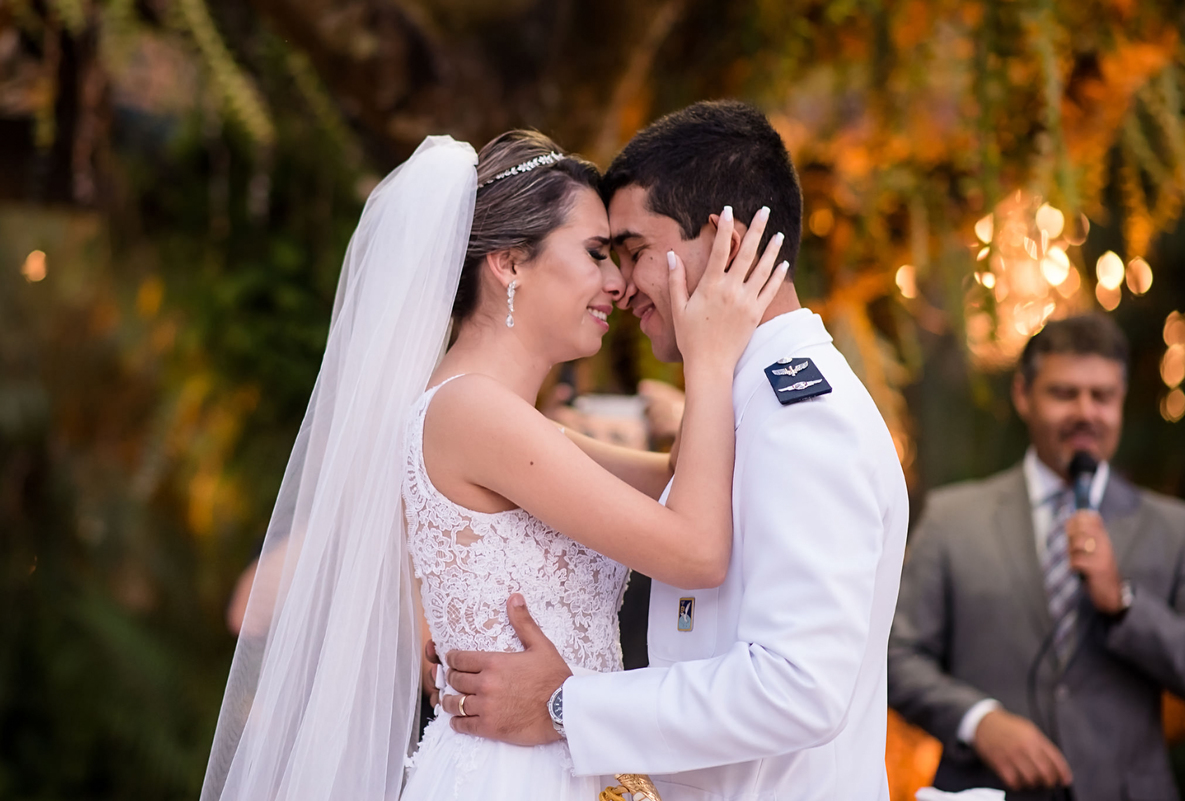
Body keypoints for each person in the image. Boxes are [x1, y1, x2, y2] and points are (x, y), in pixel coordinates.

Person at [200, 129, 788, 801]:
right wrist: (709, 358)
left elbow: (679, 479)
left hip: (554, 762)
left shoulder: (501, 419)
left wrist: (698, 328)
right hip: (514, 775)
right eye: (596, 254)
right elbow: (697, 551)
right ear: (508, 263)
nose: (618, 282)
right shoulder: (472, 412)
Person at [437, 100, 910, 800]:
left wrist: (566, 705)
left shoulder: (801, 416)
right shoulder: (744, 400)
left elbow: (798, 686)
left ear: (724, 243)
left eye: (632, 251)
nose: (622, 285)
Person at [888, 314, 1185, 800]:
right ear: (1022, 395)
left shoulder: (1178, 530)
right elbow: (896, 657)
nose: (1085, 412)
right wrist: (978, 721)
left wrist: (1123, 603)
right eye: (1064, 394)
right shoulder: (952, 520)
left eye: (1102, 396)